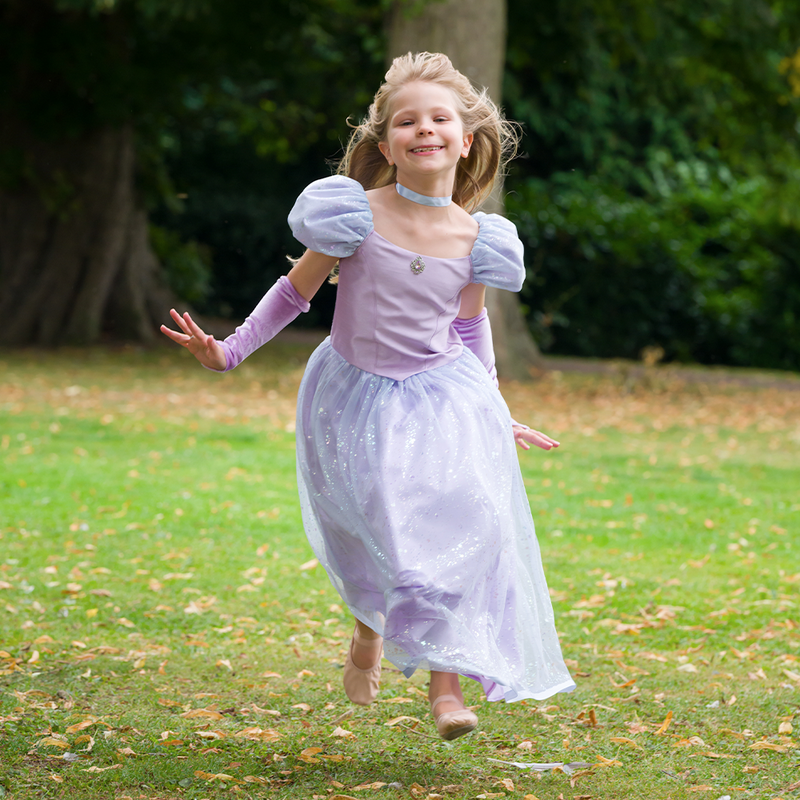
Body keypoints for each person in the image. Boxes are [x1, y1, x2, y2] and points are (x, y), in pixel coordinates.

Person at [161, 51, 575, 741]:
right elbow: (295, 293)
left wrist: (495, 413)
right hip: (356, 393)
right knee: (381, 531)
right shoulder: (351, 216)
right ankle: (368, 635)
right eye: (407, 121)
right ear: (385, 145)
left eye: (440, 119)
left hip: (443, 398)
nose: (426, 130)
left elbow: (470, 326)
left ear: (464, 139)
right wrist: (229, 351)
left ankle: (448, 691)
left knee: (460, 529)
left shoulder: (480, 241)